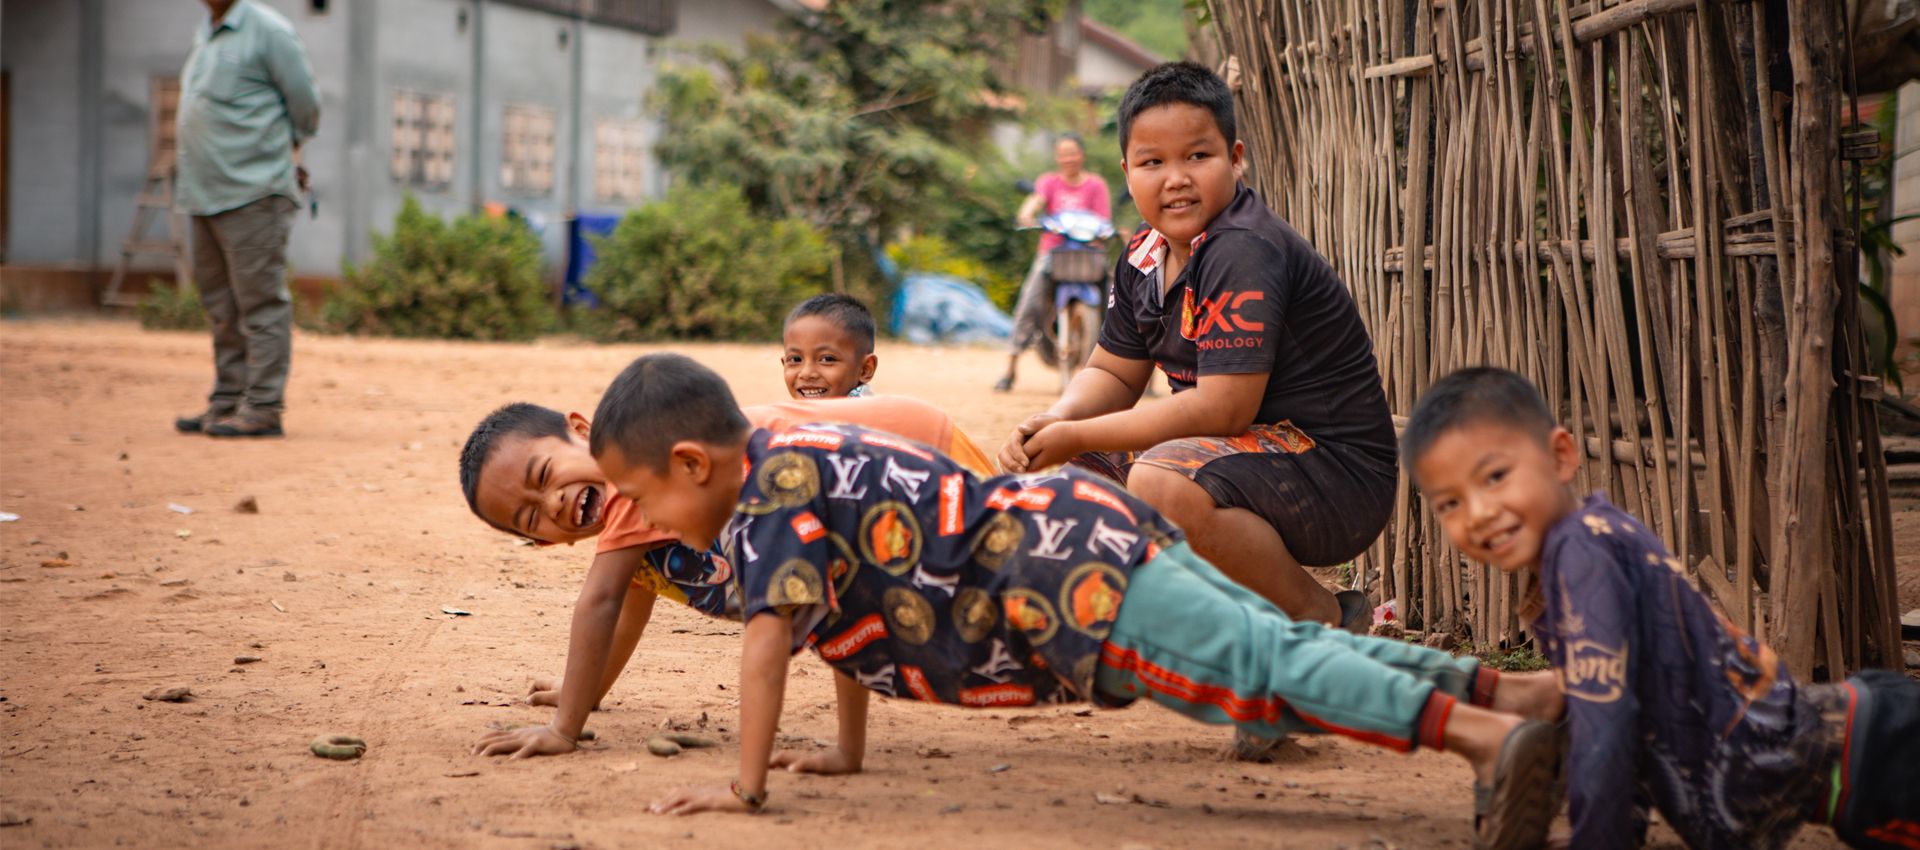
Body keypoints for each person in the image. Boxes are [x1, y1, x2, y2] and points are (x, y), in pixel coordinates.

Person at [565, 353, 1565, 850]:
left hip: (1070, 587)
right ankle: (1507, 699)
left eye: (645, 495)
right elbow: (840, 617)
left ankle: (1477, 737)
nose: (643, 517)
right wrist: (850, 752)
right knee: (1267, 638)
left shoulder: (764, 496)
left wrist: (745, 787)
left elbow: (771, 635)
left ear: (694, 461)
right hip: (1080, 534)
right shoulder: (793, 446)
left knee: (1260, 671)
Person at [1404, 367, 1920, 850]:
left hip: (1874, 759)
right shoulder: (1584, 547)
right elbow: (1626, 720)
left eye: (1495, 476)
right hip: (1859, 747)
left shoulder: (1581, 555)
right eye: (1449, 503)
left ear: (1561, 455)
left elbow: (1606, 726)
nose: (1479, 512)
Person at [999, 62, 1394, 635]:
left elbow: (1222, 409)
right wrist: (1054, 420)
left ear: (1235, 159)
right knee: (1069, 486)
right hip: (1244, 458)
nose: (1176, 178)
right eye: (1153, 162)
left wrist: (1078, 434)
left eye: (1197, 157)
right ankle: (1208, 629)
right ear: (1126, 172)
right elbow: (1113, 369)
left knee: (1159, 480)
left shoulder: (1242, 248)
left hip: (1335, 475)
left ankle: (1321, 618)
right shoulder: (1143, 253)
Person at [459, 394, 993, 730]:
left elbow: (599, 602)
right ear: (551, 544)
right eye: (531, 519)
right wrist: (586, 691)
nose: (549, 503)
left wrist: (564, 727)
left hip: (912, 448)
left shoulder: (641, 462)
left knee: (1011, 572)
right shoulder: (639, 540)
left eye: (544, 474)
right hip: (877, 491)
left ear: (584, 429)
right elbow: (622, 614)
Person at [171, 0, 320, 439]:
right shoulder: (207, 31)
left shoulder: (268, 30)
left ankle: (263, 407)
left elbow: (306, 106)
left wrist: (280, 153)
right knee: (220, 305)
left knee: (260, 305)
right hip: (203, 193)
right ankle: (226, 401)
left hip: (253, 192)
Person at [995, 133, 1112, 393]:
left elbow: (1104, 219)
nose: (1068, 158)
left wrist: (1104, 234)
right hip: (1053, 254)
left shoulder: (1096, 185)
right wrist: (1026, 215)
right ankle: (1010, 367)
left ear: (1082, 155)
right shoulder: (1048, 183)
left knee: (1117, 302)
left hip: (1087, 255)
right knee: (1029, 302)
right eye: (1063, 154)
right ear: (1057, 158)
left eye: (1073, 153)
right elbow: (1033, 203)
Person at [782, 294, 877, 400]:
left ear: (865, 369)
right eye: (795, 359)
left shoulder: (861, 413)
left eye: (827, 359)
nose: (806, 373)